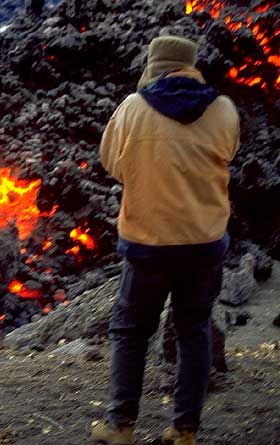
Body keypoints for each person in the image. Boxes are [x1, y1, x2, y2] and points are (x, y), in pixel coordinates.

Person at [89, 36, 240, 445]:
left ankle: (121, 426)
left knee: (131, 331)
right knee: (194, 330)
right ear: (192, 67)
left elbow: (109, 162)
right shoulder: (224, 109)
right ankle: (184, 431)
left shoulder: (133, 109)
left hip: (148, 244)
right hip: (204, 244)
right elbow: (229, 152)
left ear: (155, 67)